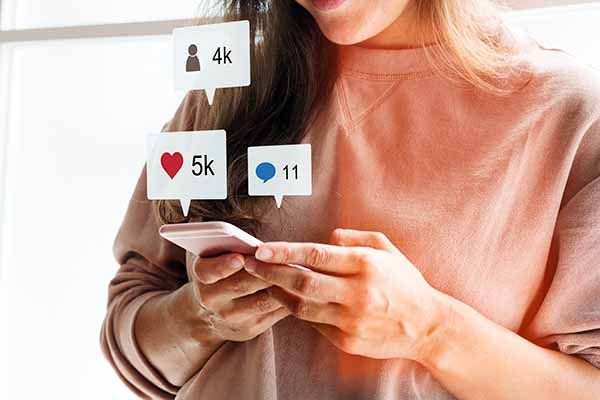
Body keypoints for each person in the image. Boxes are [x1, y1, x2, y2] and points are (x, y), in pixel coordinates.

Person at [101, 0, 600, 399]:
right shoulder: (231, 89)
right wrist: (199, 315)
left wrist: (433, 331)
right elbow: (131, 329)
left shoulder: (569, 115)